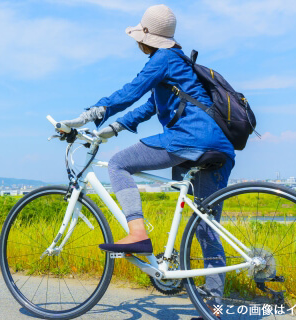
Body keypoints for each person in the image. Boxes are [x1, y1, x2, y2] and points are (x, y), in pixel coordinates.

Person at [60, 4, 233, 319]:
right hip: (218, 144)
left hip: (189, 139)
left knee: (119, 165)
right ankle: (214, 308)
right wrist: (109, 130)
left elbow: (131, 92)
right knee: (206, 228)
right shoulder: (178, 64)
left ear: (148, 39)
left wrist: (89, 116)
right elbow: (148, 106)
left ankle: (137, 233)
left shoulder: (163, 60)